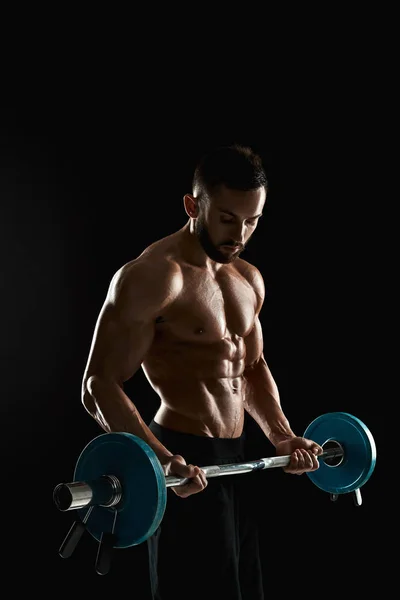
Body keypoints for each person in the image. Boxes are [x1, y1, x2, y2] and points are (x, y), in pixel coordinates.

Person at [81, 144, 323, 599]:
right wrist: (158, 460)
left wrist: (282, 435)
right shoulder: (154, 275)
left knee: (243, 587)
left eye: (253, 221)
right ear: (194, 205)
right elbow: (99, 386)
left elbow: (251, 366)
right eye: (228, 218)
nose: (241, 234)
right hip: (182, 457)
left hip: (241, 459)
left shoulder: (248, 278)